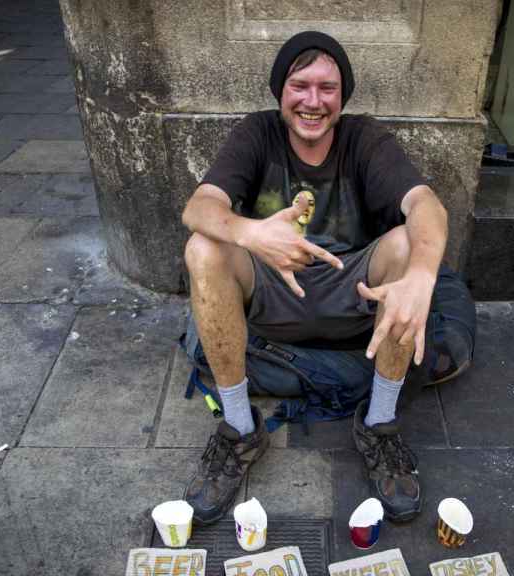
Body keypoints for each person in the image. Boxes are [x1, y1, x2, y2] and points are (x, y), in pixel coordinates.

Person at [179, 31, 470, 525]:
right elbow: (199, 207)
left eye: (327, 88)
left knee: (405, 243)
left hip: (351, 291)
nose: (313, 101)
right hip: (275, 290)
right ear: (280, 92)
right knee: (203, 247)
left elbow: (426, 205)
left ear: (342, 96)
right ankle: (238, 428)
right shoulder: (257, 133)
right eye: (300, 85)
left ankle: (378, 425)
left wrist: (422, 276)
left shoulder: (364, 138)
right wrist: (253, 233)